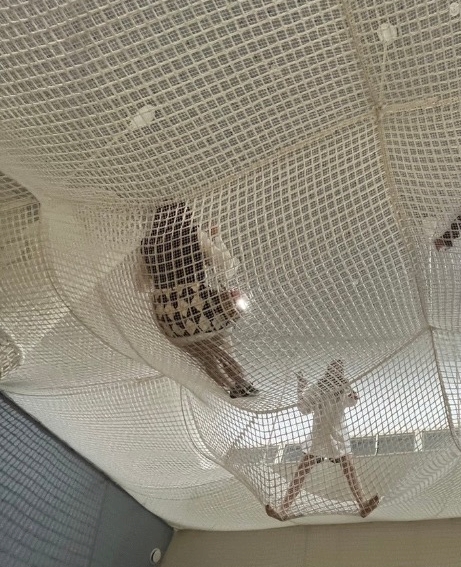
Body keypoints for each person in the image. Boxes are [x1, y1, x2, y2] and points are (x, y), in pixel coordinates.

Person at [138, 202, 257, 398]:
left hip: (169, 318)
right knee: (222, 345)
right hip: (198, 310)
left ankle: (229, 386)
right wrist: (216, 237)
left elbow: (142, 285)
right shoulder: (193, 233)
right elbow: (227, 266)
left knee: (206, 357)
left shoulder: (147, 244)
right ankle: (241, 382)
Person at [266, 360, 379, 520]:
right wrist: (301, 388)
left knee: (350, 469)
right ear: (327, 371)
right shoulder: (317, 388)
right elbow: (304, 408)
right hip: (319, 438)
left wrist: (350, 389)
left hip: (338, 438)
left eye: (339, 369)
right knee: (301, 471)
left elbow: (352, 401)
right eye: (334, 368)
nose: (336, 372)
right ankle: (283, 509)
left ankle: (363, 505)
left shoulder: (343, 387)